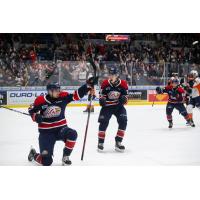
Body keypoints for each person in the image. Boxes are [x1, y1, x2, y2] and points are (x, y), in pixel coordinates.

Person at [28, 76, 98, 166]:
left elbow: (76, 96)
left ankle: (65, 157)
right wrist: (35, 116)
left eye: (59, 90)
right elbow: (31, 110)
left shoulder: (63, 97)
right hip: (46, 133)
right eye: (56, 90)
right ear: (49, 91)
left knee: (72, 134)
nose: (58, 92)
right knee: (46, 162)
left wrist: (87, 85)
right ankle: (34, 154)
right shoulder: (40, 100)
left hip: (61, 129)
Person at [97, 66, 128, 152]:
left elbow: (126, 98)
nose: (111, 76)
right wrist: (102, 100)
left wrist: (124, 99)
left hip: (118, 107)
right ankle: (100, 143)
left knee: (123, 121)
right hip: (107, 107)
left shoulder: (123, 84)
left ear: (117, 75)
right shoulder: (105, 83)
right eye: (110, 74)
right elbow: (102, 96)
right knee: (103, 123)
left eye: (113, 74)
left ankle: (118, 142)